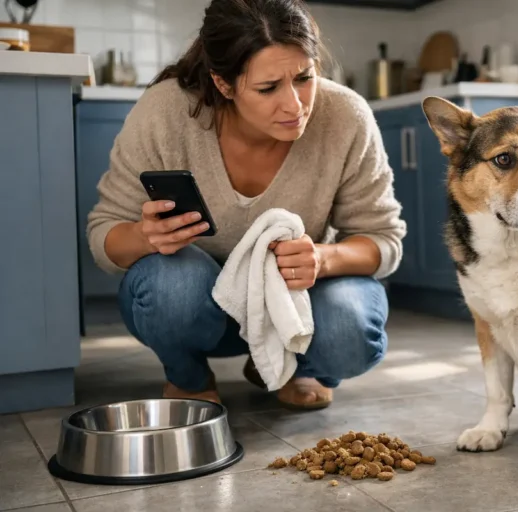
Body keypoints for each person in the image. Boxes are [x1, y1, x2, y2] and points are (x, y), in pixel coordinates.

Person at [86, 0, 406, 409]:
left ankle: (295, 366)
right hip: (203, 310)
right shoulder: (166, 112)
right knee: (171, 288)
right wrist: (143, 236)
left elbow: (383, 239)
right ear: (224, 84)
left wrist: (323, 259)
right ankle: (188, 377)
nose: (295, 105)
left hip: (296, 303)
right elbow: (103, 235)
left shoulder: (345, 116)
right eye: (268, 88)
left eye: (305, 78)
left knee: (351, 330)